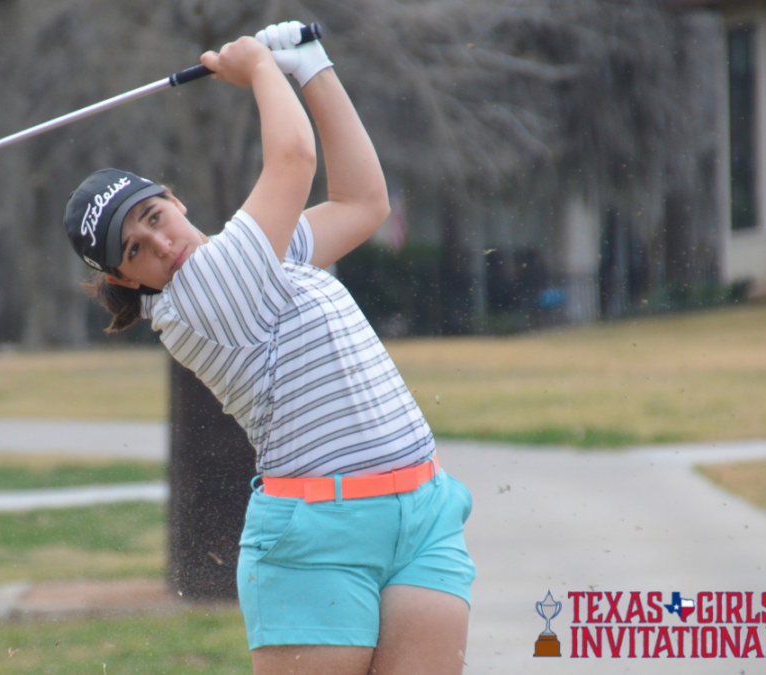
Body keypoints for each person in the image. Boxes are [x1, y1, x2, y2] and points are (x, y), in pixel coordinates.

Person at [63, 22, 475, 675]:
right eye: (135, 251)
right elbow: (294, 160)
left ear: (173, 199)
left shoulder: (256, 257)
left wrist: (313, 66)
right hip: (316, 536)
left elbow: (362, 202)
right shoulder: (196, 297)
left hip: (421, 512)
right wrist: (257, 66)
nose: (162, 245)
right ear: (123, 278)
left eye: (154, 218)